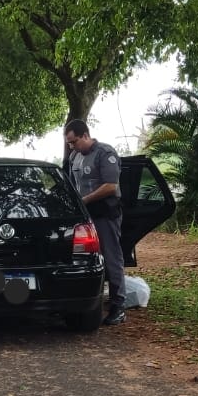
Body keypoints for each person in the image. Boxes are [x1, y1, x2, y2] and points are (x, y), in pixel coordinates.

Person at [64, 119, 127, 326]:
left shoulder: (104, 153)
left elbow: (110, 186)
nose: (71, 146)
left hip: (105, 214)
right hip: (85, 217)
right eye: (69, 143)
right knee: (87, 259)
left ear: (85, 135)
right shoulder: (75, 157)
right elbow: (74, 186)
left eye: (74, 141)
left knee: (111, 258)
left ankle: (119, 306)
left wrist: (85, 200)